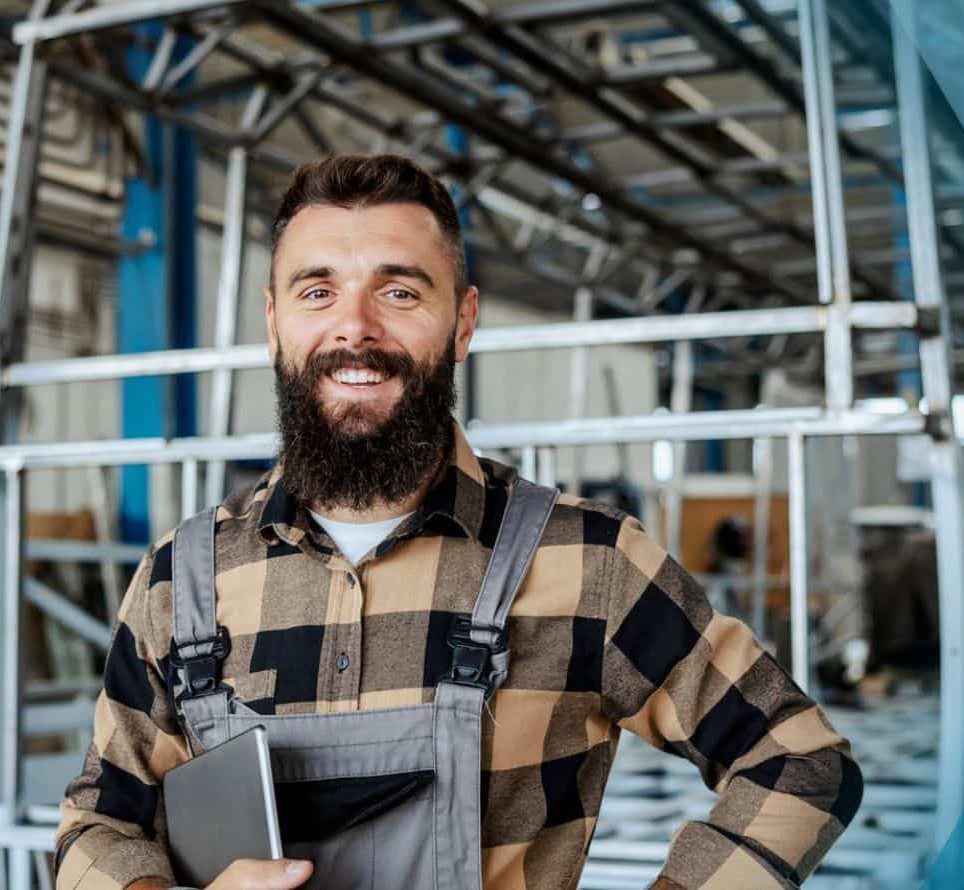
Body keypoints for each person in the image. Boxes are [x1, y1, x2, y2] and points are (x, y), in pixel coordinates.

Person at [55, 154, 862, 890]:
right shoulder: (183, 579)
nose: (355, 328)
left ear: (463, 322)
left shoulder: (588, 564)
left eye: (400, 292)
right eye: (318, 291)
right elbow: (96, 827)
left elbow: (799, 762)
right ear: (274, 323)